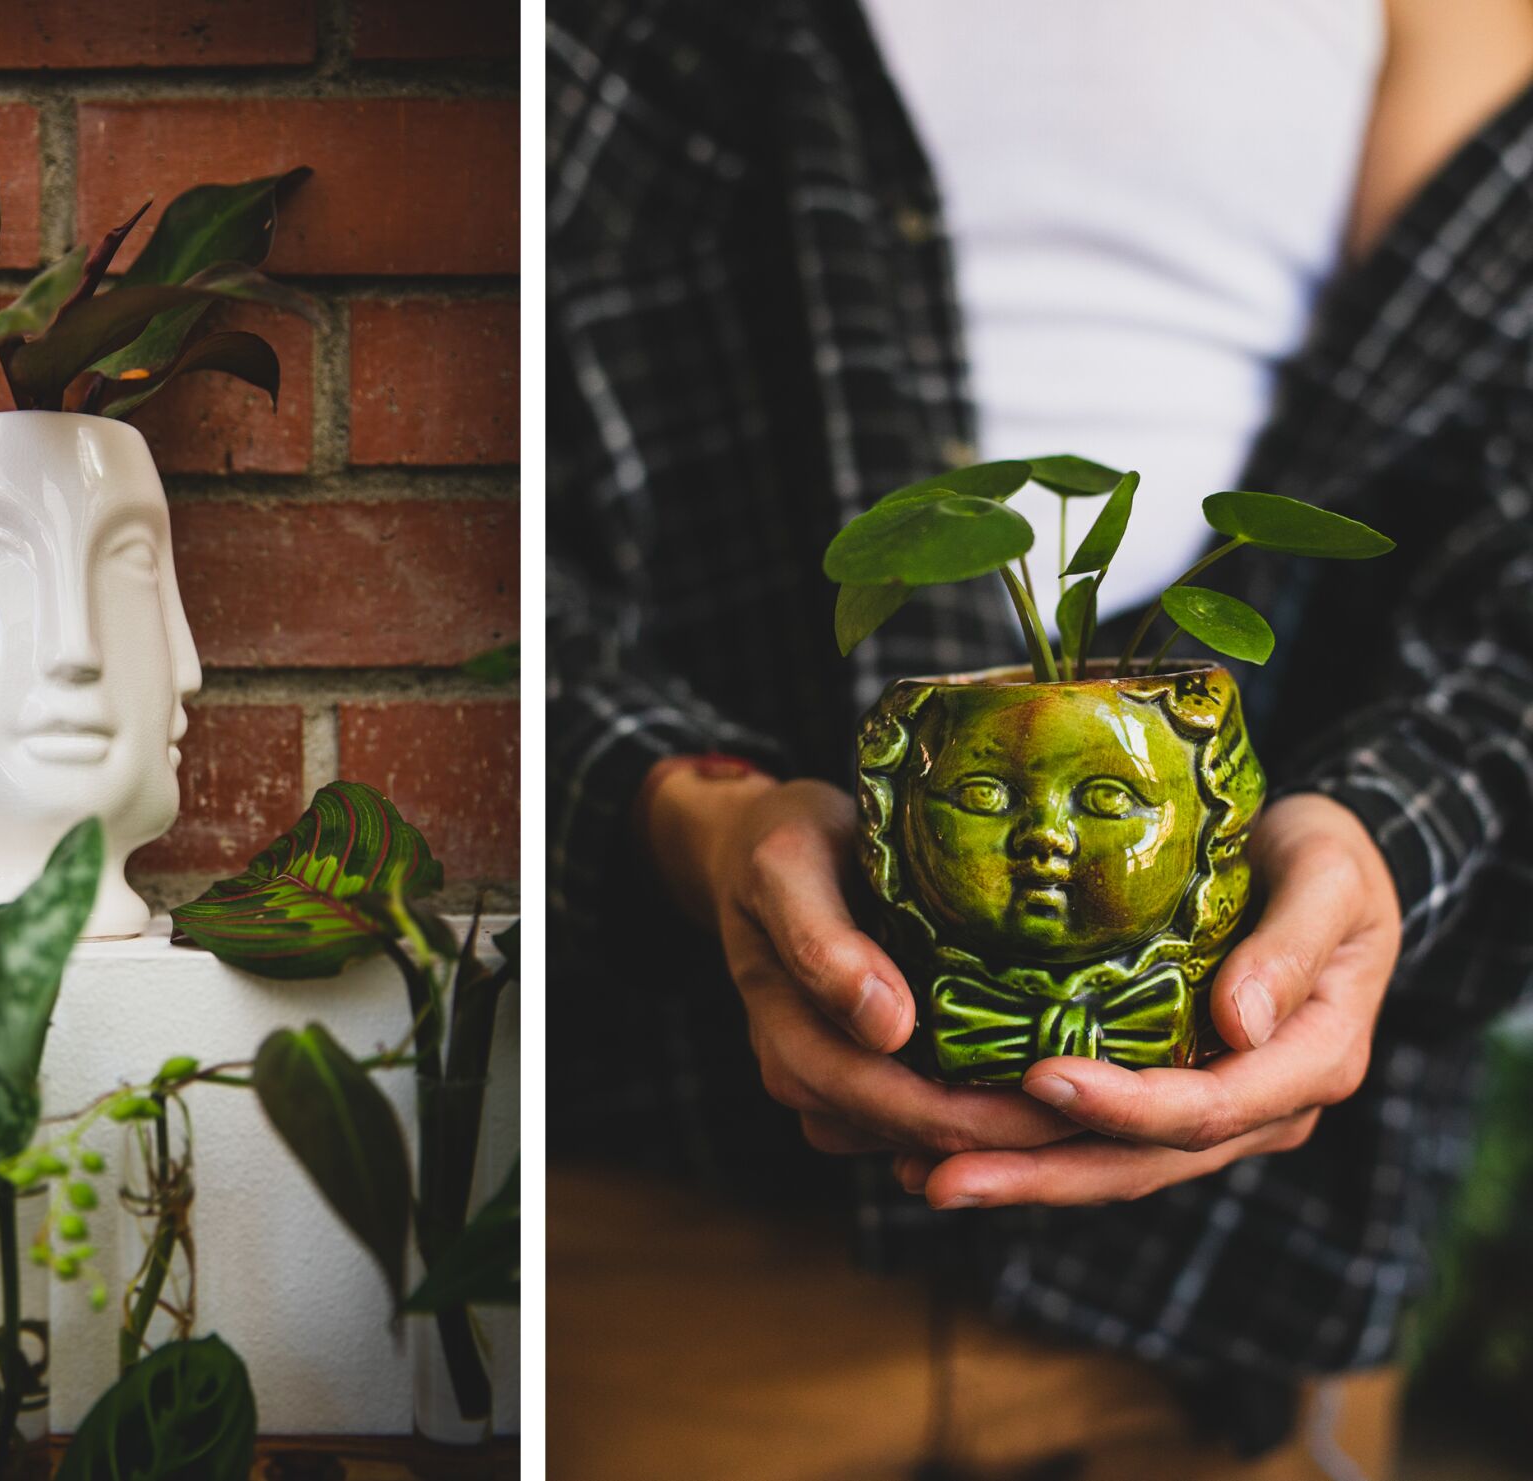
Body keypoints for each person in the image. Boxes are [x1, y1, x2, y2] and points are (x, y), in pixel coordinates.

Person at [547, 0, 1533, 1475]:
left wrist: (1381, 842)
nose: (1052, 841)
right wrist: (693, 815)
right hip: (675, 1203)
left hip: (1246, 1286)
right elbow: (509, 550)